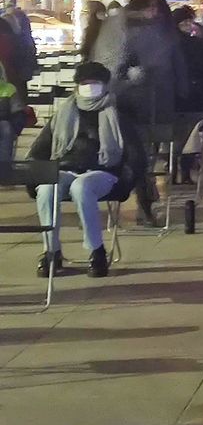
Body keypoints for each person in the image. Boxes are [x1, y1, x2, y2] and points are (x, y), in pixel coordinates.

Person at [26, 62, 145, 278]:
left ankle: (96, 251)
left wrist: (127, 181)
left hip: (104, 171)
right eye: (85, 83)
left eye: (94, 83)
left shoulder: (116, 114)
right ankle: (51, 251)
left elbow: (135, 154)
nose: (89, 87)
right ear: (77, 86)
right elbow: (39, 150)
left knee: (82, 187)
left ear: (104, 85)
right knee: (46, 189)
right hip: (66, 168)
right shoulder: (64, 113)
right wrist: (34, 177)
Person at [89, 0, 187, 226]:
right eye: (150, 6)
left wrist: (181, 91)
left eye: (156, 6)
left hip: (156, 102)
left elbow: (175, 61)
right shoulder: (119, 26)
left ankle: (146, 198)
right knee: (138, 155)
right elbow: (109, 61)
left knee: (147, 155)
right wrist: (126, 76)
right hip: (125, 103)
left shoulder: (162, 29)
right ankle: (144, 201)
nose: (153, 11)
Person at [172, 6, 203, 185]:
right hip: (184, 97)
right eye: (184, 23)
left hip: (189, 97)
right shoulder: (175, 44)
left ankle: (181, 171)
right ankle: (182, 171)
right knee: (185, 136)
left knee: (187, 136)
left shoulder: (197, 43)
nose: (188, 26)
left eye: (190, 22)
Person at [1, 0, 37, 96]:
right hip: (15, 66)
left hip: (15, 65)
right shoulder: (21, 17)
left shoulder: (20, 17)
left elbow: (28, 40)